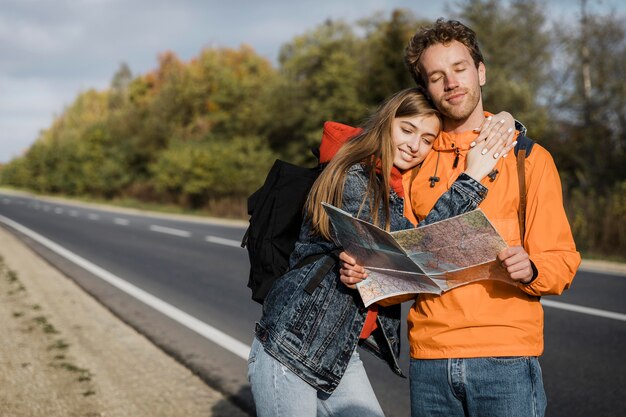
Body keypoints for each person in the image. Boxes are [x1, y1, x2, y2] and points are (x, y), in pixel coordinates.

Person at [339, 19, 581, 417]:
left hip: (506, 358)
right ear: (427, 89)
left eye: (459, 68)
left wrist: (532, 266)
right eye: (436, 76)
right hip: (430, 361)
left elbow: (562, 259)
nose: (450, 83)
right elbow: (408, 272)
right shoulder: (414, 162)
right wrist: (370, 272)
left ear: (480, 72)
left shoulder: (530, 160)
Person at [247, 87, 519, 417]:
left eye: (427, 139)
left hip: (337, 352)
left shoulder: (392, 186)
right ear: (386, 124)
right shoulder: (354, 176)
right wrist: (472, 178)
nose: (414, 145)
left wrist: (504, 120)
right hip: (288, 349)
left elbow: (403, 266)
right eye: (407, 130)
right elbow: (415, 253)